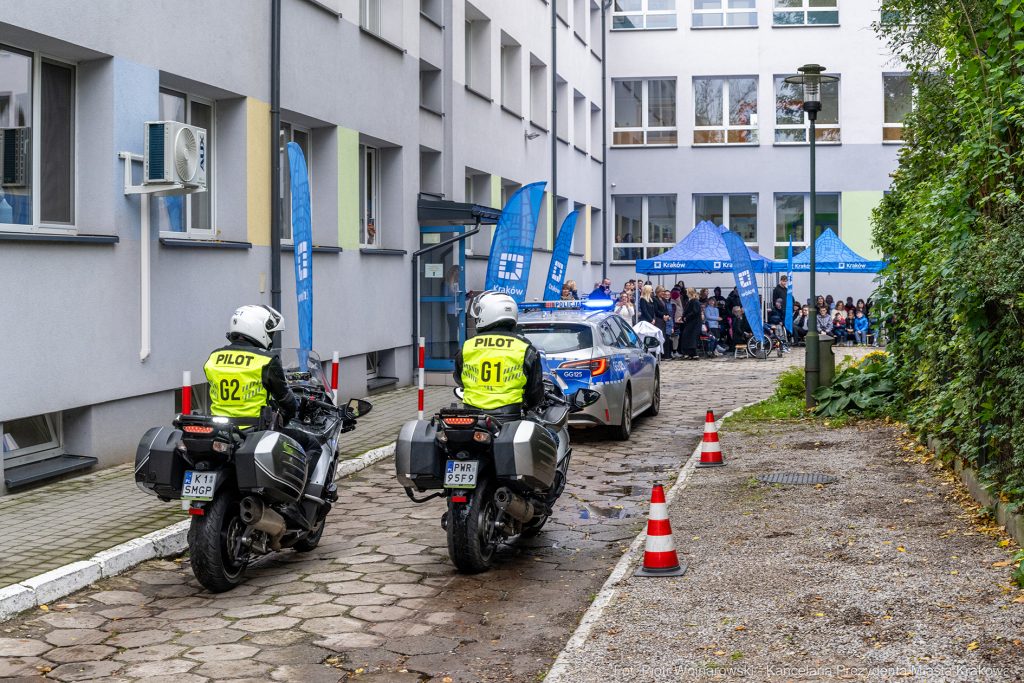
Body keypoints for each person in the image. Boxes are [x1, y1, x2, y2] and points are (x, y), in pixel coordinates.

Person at [203, 305, 321, 479]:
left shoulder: (214, 357)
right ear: (258, 330)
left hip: (220, 431)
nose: (272, 338)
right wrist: (290, 414)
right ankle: (298, 495)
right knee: (313, 445)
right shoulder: (266, 360)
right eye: (271, 333)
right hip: (255, 432)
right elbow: (286, 402)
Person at [454, 291, 544, 419]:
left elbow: (459, 379)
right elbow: (534, 390)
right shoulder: (525, 348)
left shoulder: (468, 346)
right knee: (551, 436)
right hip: (510, 417)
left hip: (472, 417)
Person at [679, 287, 702, 360]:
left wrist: (686, 317)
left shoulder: (694, 301)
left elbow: (694, 312)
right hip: (692, 323)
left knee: (687, 337)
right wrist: (683, 317)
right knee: (690, 338)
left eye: (687, 292)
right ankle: (694, 354)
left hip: (693, 323)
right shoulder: (693, 301)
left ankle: (687, 354)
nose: (686, 294)